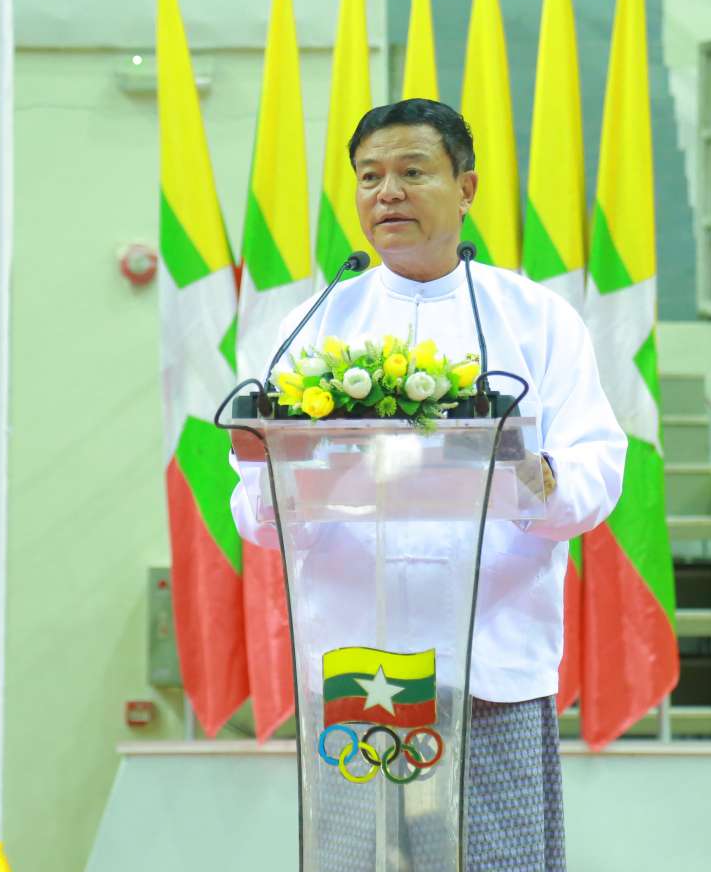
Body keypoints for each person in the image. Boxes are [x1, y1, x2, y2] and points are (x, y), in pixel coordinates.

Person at [229, 99, 625, 870]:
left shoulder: (534, 319)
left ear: (466, 188)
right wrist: (278, 480)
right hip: (355, 665)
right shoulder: (314, 324)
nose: (388, 194)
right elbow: (254, 508)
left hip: (489, 663)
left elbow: (597, 469)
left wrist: (530, 471)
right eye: (369, 177)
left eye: (413, 173)